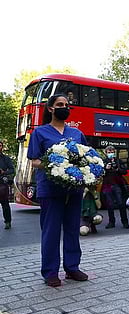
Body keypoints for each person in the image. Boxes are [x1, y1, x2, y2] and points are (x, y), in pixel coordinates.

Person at [27, 94, 89, 287]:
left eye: (67, 105)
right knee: (51, 231)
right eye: (60, 104)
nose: (64, 107)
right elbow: (34, 160)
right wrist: (54, 165)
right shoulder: (40, 133)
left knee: (72, 229)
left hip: (74, 189)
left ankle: (72, 268)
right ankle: (50, 272)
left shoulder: (77, 133)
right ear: (51, 108)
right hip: (50, 188)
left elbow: (86, 157)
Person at [101, 145, 129, 229]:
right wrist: (106, 168)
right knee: (110, 205)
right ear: (106, 153)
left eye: (112, 152)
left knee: (121, 204)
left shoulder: (118, 161)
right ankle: (111, 222)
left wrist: (118, 169)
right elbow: (100, 173)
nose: (111, 153)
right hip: (107, 185)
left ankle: (125, 222)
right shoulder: (103, 162)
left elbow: (125, 171)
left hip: (118, 185)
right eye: (109, 152)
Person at [0, 141, 14, 230]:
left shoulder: (6, 158)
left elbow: (12, 170)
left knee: (5, 204)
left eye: (0, 146)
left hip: (2, 183)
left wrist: (4, 172)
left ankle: (8, 222)